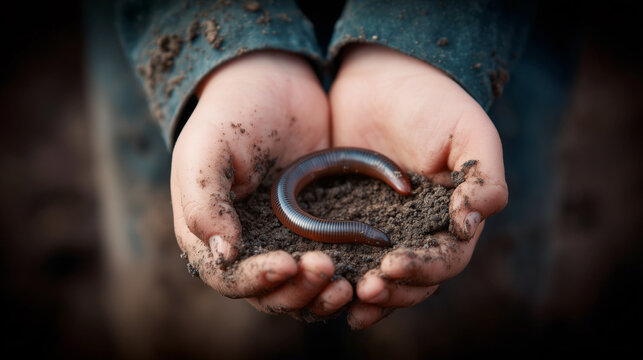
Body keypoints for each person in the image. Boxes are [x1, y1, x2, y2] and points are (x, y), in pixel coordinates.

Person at [89, 1, 553, 350]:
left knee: (453, 319)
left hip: (477, 40)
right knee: (201, 321)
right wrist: (229, 52)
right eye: (396, 182)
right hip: (179, 31)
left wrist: (426, 44)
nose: (401, 186)